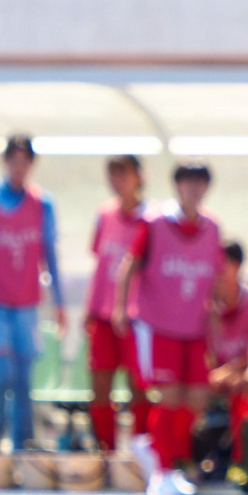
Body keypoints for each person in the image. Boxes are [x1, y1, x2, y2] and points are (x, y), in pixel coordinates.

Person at [114, 162, 220, 495]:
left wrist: (214, 315)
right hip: (160, 324)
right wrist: (120, 306)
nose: (194, 188)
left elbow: (214, 274)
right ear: (177, 185)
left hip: (195, 325)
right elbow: (130, 263)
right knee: (169, 397)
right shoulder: (156, 222)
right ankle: (163, 470)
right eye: (188, 182)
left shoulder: (212, 227)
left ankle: (158, 448)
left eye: (200, 182)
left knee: (199, 398)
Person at [0, 135, 65, 451]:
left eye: (25, 161)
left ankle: (22, 446)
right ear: (4, 162)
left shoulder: (42, 204)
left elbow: (50, 254)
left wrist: (59, 302)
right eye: (13, 160)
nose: (19, 167)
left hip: (25, 303)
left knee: (23, 380)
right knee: (1, 374)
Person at [84, 155, 151, 453]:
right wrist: (90, 308)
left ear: (138, 176)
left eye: (123, 174)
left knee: (138, 386)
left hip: (137, 317)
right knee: (100, 385)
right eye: (112, 175)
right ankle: (106, 451)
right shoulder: (104, 215)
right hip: (103, 315)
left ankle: (140, 452)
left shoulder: (152, 219)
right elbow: (101, 264)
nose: (118, 181)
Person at [208, 241, 248, 466]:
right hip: (218, 377)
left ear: (236, 266)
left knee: (245, 388)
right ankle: (184, 462)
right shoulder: (205, 306)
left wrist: (229, 371)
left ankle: (242, 462)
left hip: (246, 373)